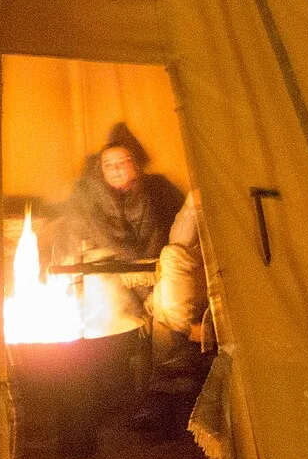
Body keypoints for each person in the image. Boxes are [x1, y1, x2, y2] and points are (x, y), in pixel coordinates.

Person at [54, 124, 211, 436]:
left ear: (136, 164)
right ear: (100, 170)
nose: (115, 170)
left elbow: (180, 240)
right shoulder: (86, 200)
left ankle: (158, 400)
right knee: (157, 316)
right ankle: (161, 401)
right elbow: (72, 245)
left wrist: (148, 271)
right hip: (113, 288)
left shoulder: (160, 192)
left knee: (169, 297)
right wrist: (121, 269)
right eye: (108, 164)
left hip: (160, 281)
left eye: (122, 162)